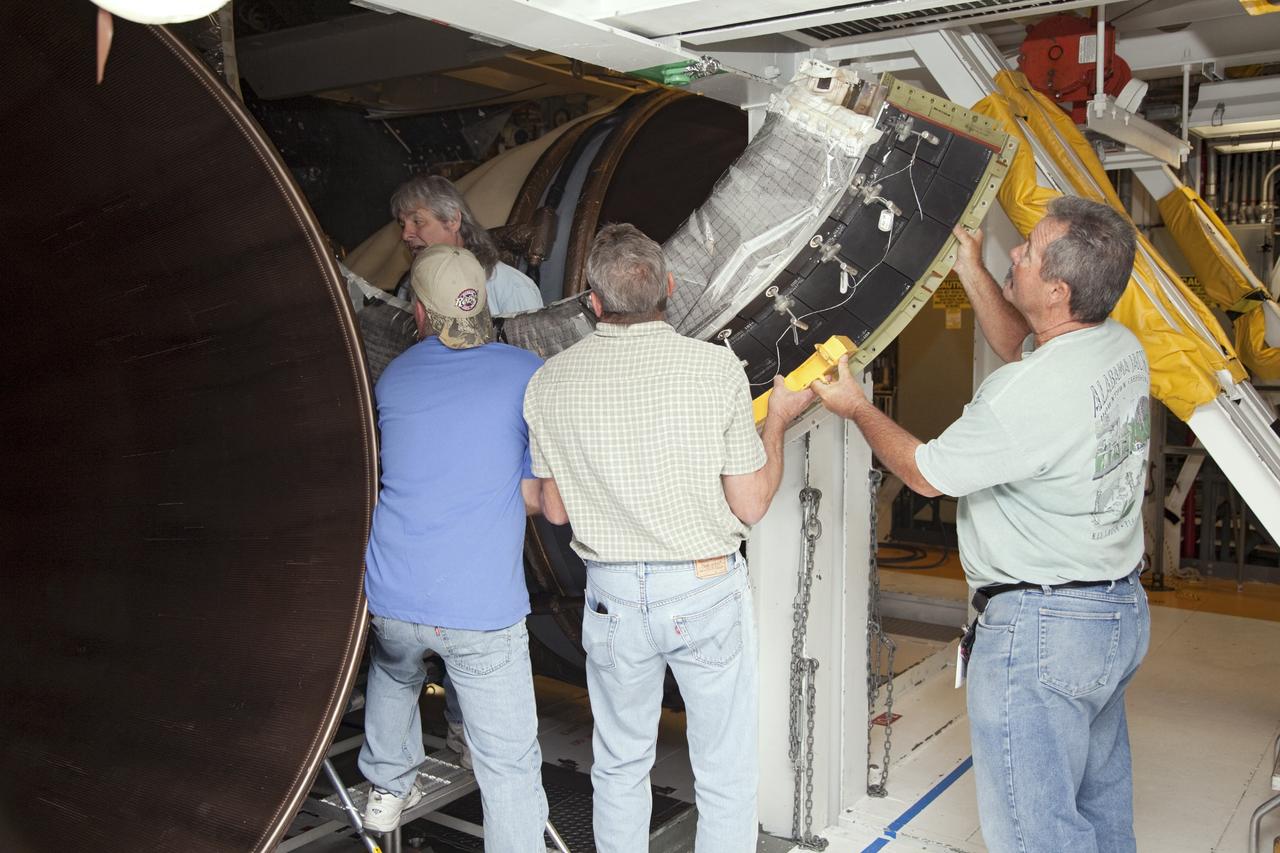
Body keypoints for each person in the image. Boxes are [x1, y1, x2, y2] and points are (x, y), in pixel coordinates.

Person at [812, 196, 1151, 853]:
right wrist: (970, 267)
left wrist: (855, 406)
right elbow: (1023, 345)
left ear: (1057, 291)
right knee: (1103, 814)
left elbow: (924, 472)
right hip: (1114, 616)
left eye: (1026, 249)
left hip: (1042, 633)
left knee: (1035, 835)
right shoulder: (1117, 348)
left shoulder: (1022, 397)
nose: (1015, 252)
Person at [522, 223, 814, 852]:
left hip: (613, 597)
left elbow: (554, 512)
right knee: (724, 767)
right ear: (670, 289)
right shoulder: (715, 370)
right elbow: (752, 503)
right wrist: (781, 421)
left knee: (620, 763)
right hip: (704, 588)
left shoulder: (549, 381)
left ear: (593, 302)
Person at [358, 244, 549, 848]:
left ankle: (388, 787)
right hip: (478, 607)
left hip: (391, 590)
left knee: (395, 672)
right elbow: (530, 496)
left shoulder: (394, 376)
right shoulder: (524, 372)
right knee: (508, 766)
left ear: (419, 312)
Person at [390, 174, 544, 316]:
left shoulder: (510, 287)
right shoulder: (407, 290)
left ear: (453, 220)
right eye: (403, 225)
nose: (405, 235)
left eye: (417, 222)